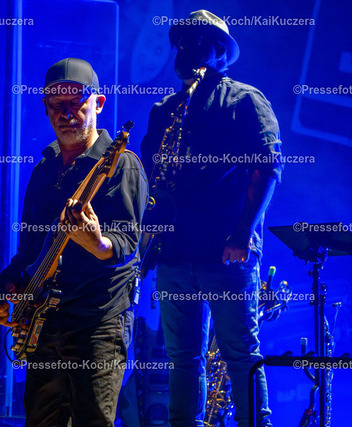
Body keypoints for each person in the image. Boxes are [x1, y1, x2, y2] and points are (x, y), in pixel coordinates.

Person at [140, 10, 283, 427]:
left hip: (225, 253)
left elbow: (268, 167)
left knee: (240, 353)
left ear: (220, 51)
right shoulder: (164, 110)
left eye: (196, 41)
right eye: (181, 42)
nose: (184, 49)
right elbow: (151, 182)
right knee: (182, 358)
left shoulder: (244, 100)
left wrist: (242, 233)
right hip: (175, 254)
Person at [0, 58, 148, 426]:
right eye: (56, 104)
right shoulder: (44, 170)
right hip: (45, 321)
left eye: (76, 102)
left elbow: (128, 245)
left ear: (99, 103)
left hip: (97, 322)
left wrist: (97, 243)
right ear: (45, 108)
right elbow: (29, 250)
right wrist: (4, 286)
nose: (66, 113)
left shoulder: (121, 165)